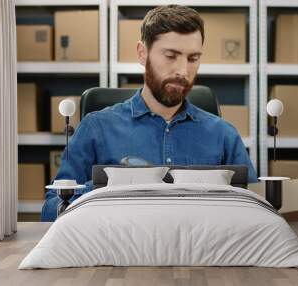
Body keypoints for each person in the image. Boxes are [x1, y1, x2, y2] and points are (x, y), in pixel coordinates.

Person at [41, 5, 257, 222]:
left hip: (201, 251)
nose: (183, 71)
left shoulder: (224, 135)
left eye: (193, 59)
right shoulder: (96, 128)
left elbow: (258, 211)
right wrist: (107, 187)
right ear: (142, 54)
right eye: (171, 56)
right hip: (119, 251)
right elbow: (51, 210)